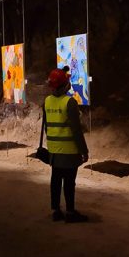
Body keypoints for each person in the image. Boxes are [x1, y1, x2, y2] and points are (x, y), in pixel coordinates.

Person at [44, 68, 89, 223]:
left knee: (55, 181)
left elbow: (46, 126)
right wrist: (84, 150)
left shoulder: (47, 101)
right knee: (69, 182)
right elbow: (76, 130)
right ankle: (70, 212)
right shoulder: (69, 102)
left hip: (54, 150)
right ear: (65, 84)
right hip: (69, 151)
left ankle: (56, 210)